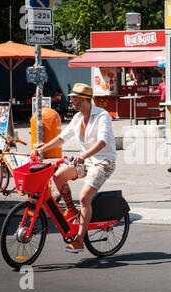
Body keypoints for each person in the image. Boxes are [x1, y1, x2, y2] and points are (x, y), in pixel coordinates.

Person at [34, 83, 116, 254]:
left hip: (103, 162)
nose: (70, 100)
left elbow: (102, 142)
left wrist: (84, 156)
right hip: (86, 161)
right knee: (58, 176)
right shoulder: (77, 117)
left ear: (84, 100)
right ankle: (71, 210)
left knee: (84, 197)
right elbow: (62, 137)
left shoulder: (102, 116)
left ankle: (79, 240)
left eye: (74, 97)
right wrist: (42, 149)